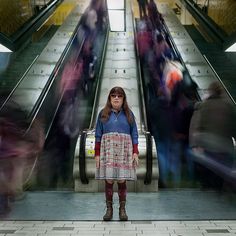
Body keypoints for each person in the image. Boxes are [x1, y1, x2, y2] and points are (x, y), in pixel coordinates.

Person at [94, 87, 139, 221]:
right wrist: (97, 154)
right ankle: (109, 209)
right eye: (113, 95)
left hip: (124, 150)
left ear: (123, 99)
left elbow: (134, 134)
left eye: (119, 96)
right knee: (108, 180)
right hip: (107, 150)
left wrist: (135, 152)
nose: (116, 98)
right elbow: (98, 135)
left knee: (121, 180)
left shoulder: (129, 114)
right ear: (109, 98)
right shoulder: (103, 114)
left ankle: (122, 209)